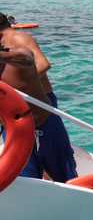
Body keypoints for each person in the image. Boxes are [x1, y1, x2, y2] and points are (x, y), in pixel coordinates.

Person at [0, 46, 77, 182]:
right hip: (16, 133)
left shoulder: (18, 53)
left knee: (65, 175)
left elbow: (27, 59)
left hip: (46, 124)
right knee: (28, 179)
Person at [0, 12, 58, 107]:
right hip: (25, 99)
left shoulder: (18, 37)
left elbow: (43, 64)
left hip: (40, 99)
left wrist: (19, 89)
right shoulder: (5, 42)